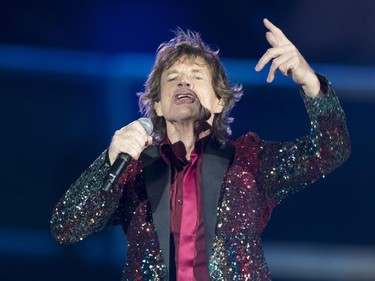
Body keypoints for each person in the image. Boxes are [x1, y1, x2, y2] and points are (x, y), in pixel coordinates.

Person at [50, 18, 351, 280]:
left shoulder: (248, 161)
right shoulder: (135, 171)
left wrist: (309, 80)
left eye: (196, 76)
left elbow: (331, 150)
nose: (184, 82)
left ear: (220, 101)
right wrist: (109, 159)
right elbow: (67, 227)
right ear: (157, 104)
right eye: (173, 78)